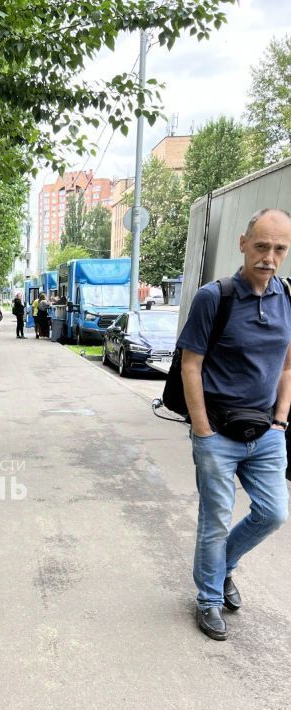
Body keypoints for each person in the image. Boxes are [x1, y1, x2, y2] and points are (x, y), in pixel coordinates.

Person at [179, 208, 291, 641]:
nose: (269, 256)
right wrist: (202, 428)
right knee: (216, 519)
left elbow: (286, 367)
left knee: (274, 512)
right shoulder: (215, 297)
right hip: (218, 434)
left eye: (279, 248)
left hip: (266, 433)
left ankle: (221, 567)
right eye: (261, 246)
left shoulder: (288, 298)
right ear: (243, 244)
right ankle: (208, 598)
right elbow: (192, 365)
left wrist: (281, 420)